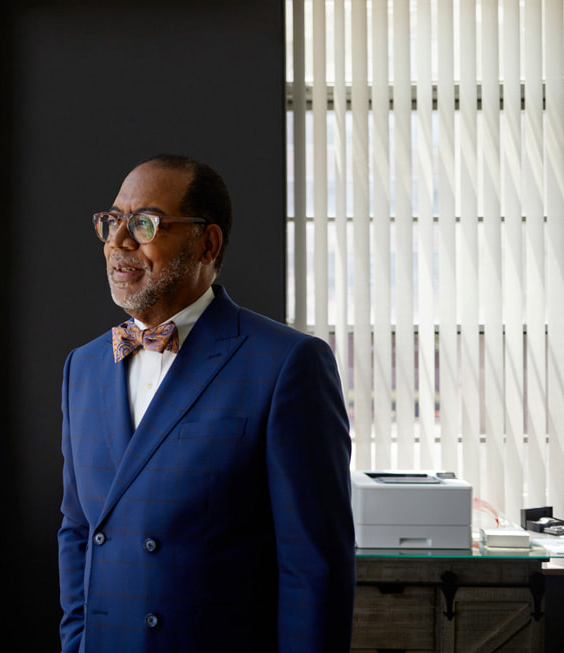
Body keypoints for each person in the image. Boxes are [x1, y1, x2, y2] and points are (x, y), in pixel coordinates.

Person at [58, 154, 355, 652]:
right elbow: (78, 530)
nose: (119, 242)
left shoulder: (286, 364)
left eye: (144, 223)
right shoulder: (83, 367)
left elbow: (313, 569)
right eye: (112, 222)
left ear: (207, 243)